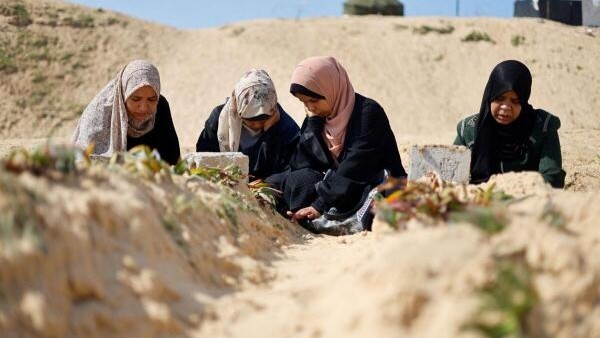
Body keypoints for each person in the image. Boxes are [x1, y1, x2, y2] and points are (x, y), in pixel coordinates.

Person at [283, 56, 407, 235]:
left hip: (368, 182)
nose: (310, 107)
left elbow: (356, 167)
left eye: (314, 100)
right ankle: (315, 216)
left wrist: (319, 204)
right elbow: (302, 164)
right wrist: (314, 125)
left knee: (386, 201)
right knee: (297, 180)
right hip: (335, 187)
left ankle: (326, 217)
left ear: (331, 89)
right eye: (304, 102)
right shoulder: (316, 118)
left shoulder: (368, 113)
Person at [454, 60, 566, 188]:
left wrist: (512, 192)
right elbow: (450, 177)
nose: (506, 107)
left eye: (515, 101)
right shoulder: (469, 130)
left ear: (524, 101)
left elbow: (552, 177)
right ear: (489, 96)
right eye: (499, 98)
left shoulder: (543, 127)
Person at [195, 69, 300, 185]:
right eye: (251, 121)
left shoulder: (286, 127)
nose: (258, 125)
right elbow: (204, 156)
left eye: (264, 120)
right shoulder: (220, 120)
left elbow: (291, 169)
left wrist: (270, 133)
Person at [72, 60, 180, 165]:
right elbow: (84, 161)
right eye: (135, 99)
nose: (143, 108)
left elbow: (172, 159)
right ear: (123, 94)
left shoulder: (160, 106)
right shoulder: (100, 112)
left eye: (151, 99)